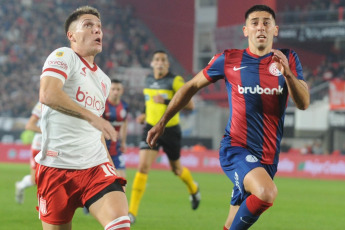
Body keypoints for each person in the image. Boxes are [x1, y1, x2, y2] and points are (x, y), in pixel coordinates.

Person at [147, 5, 310, 230]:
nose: (260, 27)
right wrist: (162, 122)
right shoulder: (229, 59)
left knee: (232, 222)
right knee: (266, 192)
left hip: (269, 156)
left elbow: (303, 104)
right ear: (245, 30)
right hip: (236, 148)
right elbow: (191, 85)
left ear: (275, 30)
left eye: (266, 22)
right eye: (255, 22)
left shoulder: (289, 58)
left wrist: (288, 75)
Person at [36, 6, 130, 230]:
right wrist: (93, 117)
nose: (97, 31)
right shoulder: (64, 55)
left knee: (120, 224)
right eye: (88, 25)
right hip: (56, 168)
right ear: (71, 35)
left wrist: (109, 165)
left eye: (99, 27)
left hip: (95, 167)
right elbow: (48, 94)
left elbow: (96, 132)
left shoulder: (104, 81)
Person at [128, 50, 201, 224]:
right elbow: (150, 103)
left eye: (163, 60)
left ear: (167, 64)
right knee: (143, 167)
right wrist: (145, 115)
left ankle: (193, 188)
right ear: (152, 63)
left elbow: (190, 105)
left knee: (176, 170)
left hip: (170, 130)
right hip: (151, 128)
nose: (160, 62)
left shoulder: (175, 81)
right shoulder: (148, 80)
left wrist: (167, 101)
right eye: (157, 59)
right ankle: (131, 213)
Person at [15, 102, 42, 204]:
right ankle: (21, 185)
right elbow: (29, 125)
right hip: (39, 146)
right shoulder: (43, 103)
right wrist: (48, 133)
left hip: (52, 146)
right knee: (35, 180)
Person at [103, 79, 129, 178]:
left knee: (122, 180)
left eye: (118, 89)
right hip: (102, 149)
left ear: (122, 91)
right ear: (108, 90)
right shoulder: (103, 106)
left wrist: (123, 142)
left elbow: (124, 123)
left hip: (116, 148)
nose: (115, 92)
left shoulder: (125, 106)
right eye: (113, 89)